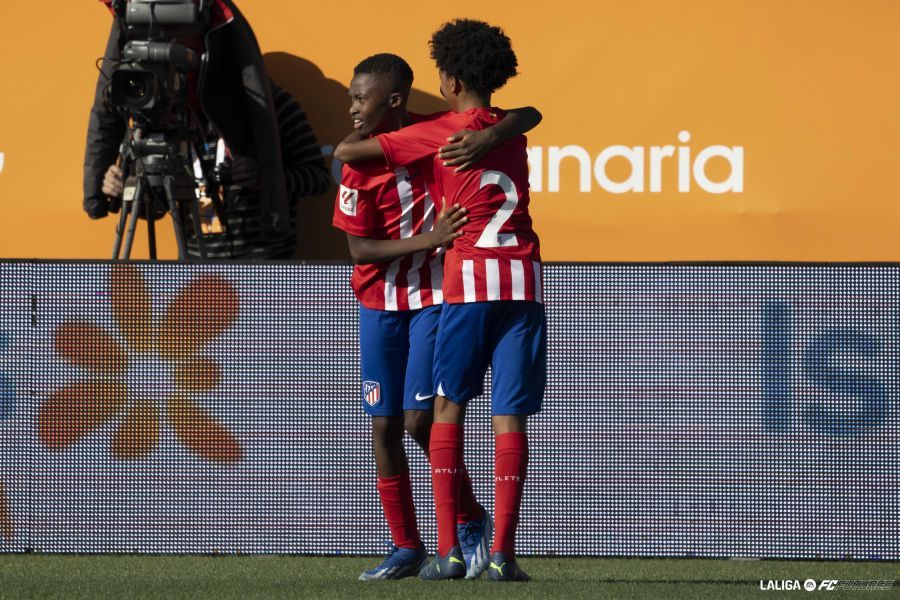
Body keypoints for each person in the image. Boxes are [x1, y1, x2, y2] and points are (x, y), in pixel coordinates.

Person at [334, 19, 545, 582]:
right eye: (351, 99)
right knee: (385, 425)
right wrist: (431, 237)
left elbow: (522, 115)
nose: (353, 107)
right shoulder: (367, 164)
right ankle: (409, 545)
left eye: (362, 98)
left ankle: (461, 532)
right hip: (384, 301)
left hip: (440, 295)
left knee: (421, 418)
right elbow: (358, 249)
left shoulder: (438, 133)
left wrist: (493, 133)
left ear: (398, 100)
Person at [86, 0, 330, 259]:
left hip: (263, 260)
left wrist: (266, 178)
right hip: (198, 267)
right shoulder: (163, 111)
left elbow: (318, 178)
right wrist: (124, 186)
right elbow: (155, 210)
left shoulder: (273, 106)